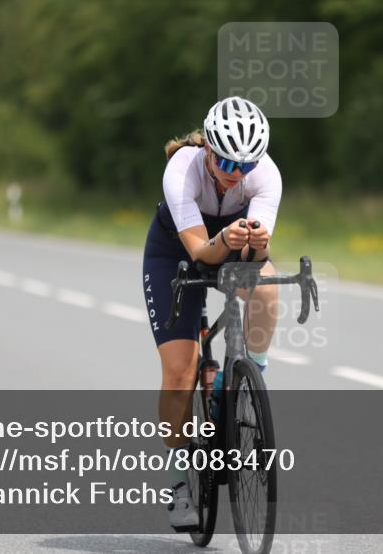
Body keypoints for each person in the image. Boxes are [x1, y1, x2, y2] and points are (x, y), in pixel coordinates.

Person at [141, 96, 281, 530]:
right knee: (180, 373)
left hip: (228, 245)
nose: (236, 173)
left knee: (268, 290)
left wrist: (258, 246)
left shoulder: (266, 175)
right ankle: (178, 479)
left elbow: (255, 259)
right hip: (174, 253)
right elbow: (201, 251)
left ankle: (250, 375)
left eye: (246, 165)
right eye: (225, 162)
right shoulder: (182, 168)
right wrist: (226, 240)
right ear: (207, 150)